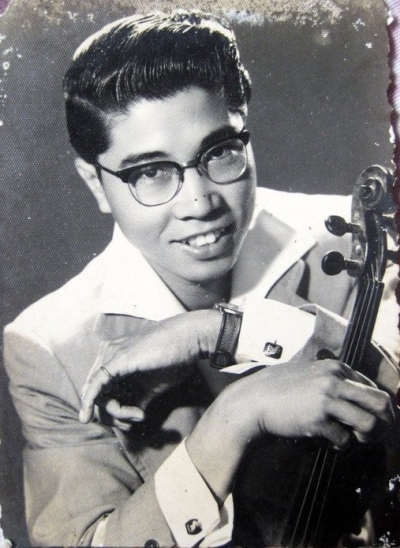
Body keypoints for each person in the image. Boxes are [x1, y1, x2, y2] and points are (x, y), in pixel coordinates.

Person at [3, 10, 399, 547]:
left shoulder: (345, 241)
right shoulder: (49, 347)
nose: (200, 202)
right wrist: (235, 415)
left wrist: (220, 330)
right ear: (96, 184)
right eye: (150, 172)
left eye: (220, 152)